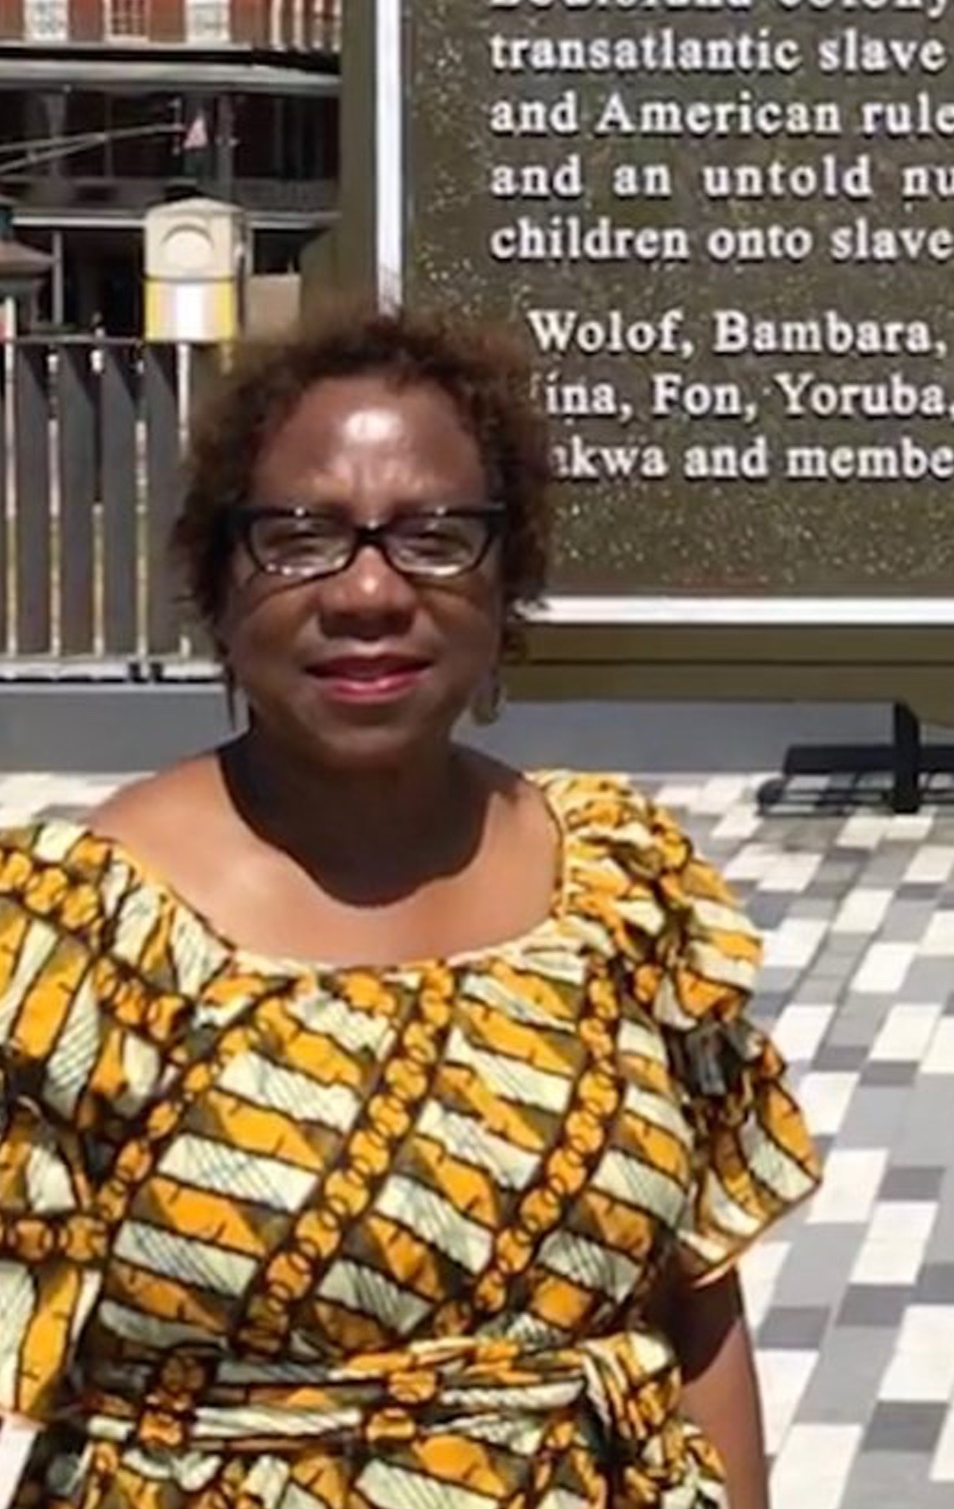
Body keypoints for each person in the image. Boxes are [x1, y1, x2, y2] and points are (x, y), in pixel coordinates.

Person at [0, 301, 820, 1506]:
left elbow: (698, 1307)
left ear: (509, 581)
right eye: (299, 537)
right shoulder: (78, 939)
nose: (370, 593)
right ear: (219, 584)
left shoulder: (620, 895)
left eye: (436, 537)